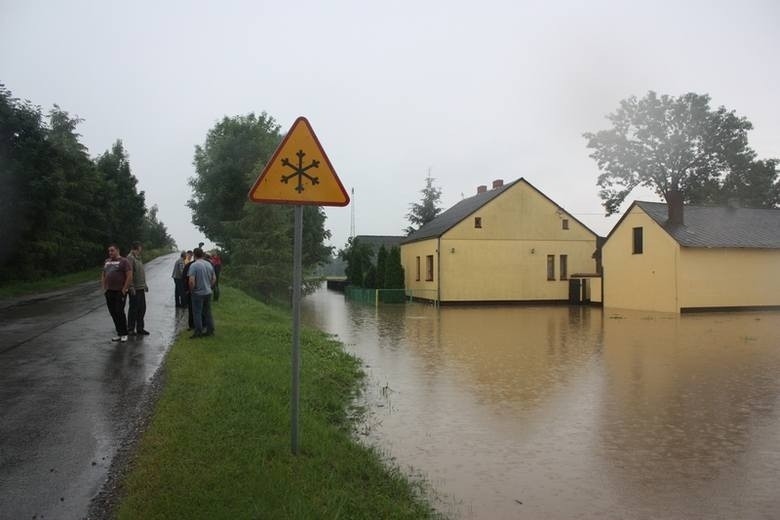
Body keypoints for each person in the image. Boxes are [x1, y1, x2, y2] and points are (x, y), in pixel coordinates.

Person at [101, 244, 132, 342]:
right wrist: (104, 287)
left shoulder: (124, 261)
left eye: (112, 250)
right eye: (109, 251)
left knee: (119, 311)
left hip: (119, 291)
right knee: (113, 313)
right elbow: (103, 275)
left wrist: (124, 289)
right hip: (109, 291)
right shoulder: (107, 262)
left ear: (117, 250)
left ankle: (124, 333)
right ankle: (119, 333)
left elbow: (129, 276)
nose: (110, 253)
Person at [188, 247, 216, 338]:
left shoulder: (194, 265)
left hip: (198, 293)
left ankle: (198, 332)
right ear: (203, 254)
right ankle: (210, 330)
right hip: (208, 292)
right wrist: (209, 286)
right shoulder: (209, 264)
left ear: (194, 255)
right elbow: (214, 279)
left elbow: (191, 281)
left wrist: (192, 290)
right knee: (208, 312)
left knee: (197, 313)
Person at [126, 241, 149, 335]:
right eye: (140, 247)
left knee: (142, 308)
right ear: (137, 248)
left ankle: (140, 328)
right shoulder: (130, 258)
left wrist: (145, 285)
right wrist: (131, 286)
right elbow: (129, 273)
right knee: (133, 309)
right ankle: (131, 328)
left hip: (141, 287)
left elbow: (141, 273)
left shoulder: (138, 258)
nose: (141, 249)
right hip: (134, 288)